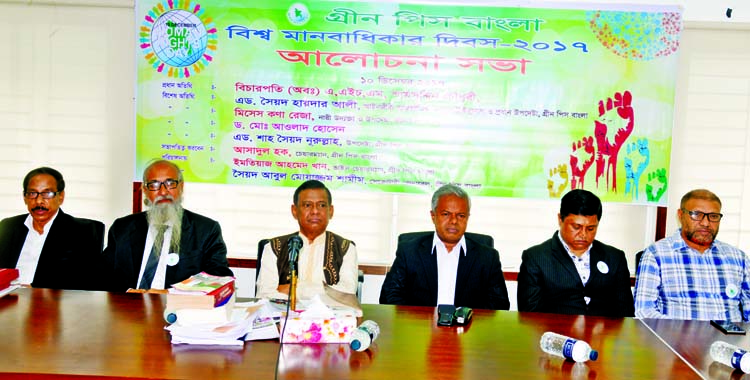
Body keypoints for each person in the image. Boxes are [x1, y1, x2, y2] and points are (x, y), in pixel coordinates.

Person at [101, 160, 233, 292]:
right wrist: (129, 292)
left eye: (170, 183)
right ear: (145, 190)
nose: (163, 191)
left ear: (181, 187)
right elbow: (103, 276)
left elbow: (219, 277)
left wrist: (171, 293)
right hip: (128, 307)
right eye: (154, 184)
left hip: (176, 308)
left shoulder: (206, 230)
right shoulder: (123, 228)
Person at [379, 184, 510, 310]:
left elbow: (499, 303)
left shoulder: (487, 257)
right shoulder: (409, 251)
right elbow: (389, 296)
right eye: (446, 214)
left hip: (468, 329)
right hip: (420, 329)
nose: (454, 221)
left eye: (461, 215)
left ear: (467, 218)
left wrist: (467, 322)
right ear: (433, 216)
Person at [634, 189, 750, 321]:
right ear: (680, 215)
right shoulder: (656, 255)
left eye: (713, 216)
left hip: (730, 339)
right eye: (697, 214)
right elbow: (644, 311)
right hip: (677, 339)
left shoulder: (738, 258)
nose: (705, 223)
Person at [517, 189, 634, 317]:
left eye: (590, 228)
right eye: (576, 227)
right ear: (560, 220)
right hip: (557, 333)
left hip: (603, 335)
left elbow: (625, 313)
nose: (583, 234)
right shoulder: (536, 258)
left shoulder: (615, 258)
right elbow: (529, 315)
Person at [0, 167, 104, 290]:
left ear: (60, 196)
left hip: (51, 304)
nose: (39, 201)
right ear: (25, 197)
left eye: (47, 194)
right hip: (7, 300)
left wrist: (35, 290)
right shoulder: (8, 226)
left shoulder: (83, 231)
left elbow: (84, 280)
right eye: (32, 193)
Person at [256, 180, 359, 300]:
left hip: (330, 317)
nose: (315, 211)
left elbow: (347, 293)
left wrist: (296, 289)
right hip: (285, 316)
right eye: (307, 205)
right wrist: (326, 291)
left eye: (321, 205)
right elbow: (264, 295)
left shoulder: (345, 248)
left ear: (330, 211)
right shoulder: (274, 247)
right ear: (294, 211)